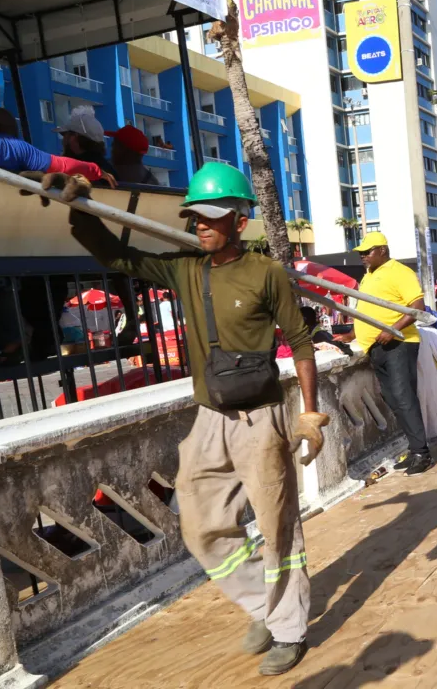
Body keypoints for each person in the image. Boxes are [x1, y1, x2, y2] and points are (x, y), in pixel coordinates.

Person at [67, 162, 328, 676]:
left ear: (240, 219)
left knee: (277, 527)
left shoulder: (265, 273)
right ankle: (262, 605)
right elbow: (119, 255)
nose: (201, 225)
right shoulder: (185, 268)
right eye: (196, 217)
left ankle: (289, 629)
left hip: (261, 417)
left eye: (212, 216)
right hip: (210, 416)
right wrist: (78, 210)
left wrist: (310, 412)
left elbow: (299, 342)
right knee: (202, 524)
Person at [352, 231, 432, 476]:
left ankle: (422, 453)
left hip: (400, 343)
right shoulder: (368, 275)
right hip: (376, 347)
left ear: (382, 251)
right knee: (392, 398)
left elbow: (417, 307)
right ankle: (414, 447)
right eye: (361, 253)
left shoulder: (400, 272)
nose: (363, 256)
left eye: (368, 252)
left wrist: (393, 329)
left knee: (404, 397)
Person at [56, 105, 116, 180]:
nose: (63, 140)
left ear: (74, 137)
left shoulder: (74, 171)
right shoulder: (107, 168)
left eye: (65, 134)